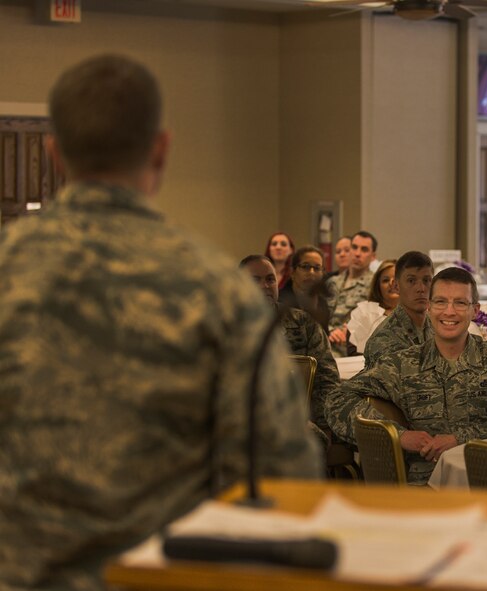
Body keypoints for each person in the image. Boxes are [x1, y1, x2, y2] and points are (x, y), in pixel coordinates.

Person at [0, 54, 321, 590]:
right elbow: (281, 472)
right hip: (164, 577)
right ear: (161, 148)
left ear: (55, 154)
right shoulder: (218, 292)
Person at [325, 267, 487, 484]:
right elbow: (337, 401)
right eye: (440, 302)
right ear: (428, 307)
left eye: (460, 303)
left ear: (475, 310)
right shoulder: (403, 365)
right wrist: (399, 435)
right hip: (424, 488)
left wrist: (460, 439)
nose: (449, 311)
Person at [240, 255, 340, 433]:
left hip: (295, 418)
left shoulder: (303, 323)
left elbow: (327, 380)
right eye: (255, 280)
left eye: (270, 279)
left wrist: (323, 424)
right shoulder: (225, 326)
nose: (265, 286)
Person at [363, 251, 435, 369]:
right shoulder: (384, 339)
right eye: (411, 281)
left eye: (426, 280)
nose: (421, 288)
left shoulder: (437, 327)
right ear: (396, 286)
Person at [327, 230, 377, 355]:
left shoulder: (375, 284)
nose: (357, 253)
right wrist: (329, 331)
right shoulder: (332, 282)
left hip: (351, 348)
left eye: (364, 250)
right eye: (354, 247)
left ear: (373, 256)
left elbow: (375, 322)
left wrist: (350, 331)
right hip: (326, 343)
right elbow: (320, 315)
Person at [279, 245, 331, 331]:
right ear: (292, 272)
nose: (311, 272)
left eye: (317, 268)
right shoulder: (279, 302)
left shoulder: (323, 304)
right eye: (306, 267)